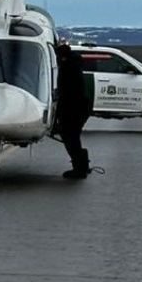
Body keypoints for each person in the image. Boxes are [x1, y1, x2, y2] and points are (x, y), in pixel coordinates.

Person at [55, 41, 91, 179]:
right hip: (79, 106)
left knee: (70, 137)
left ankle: (80, 168)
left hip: (72, 107)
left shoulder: (68, 67)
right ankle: (82, 165)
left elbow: (66, 91)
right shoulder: (74, 64)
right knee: (73, 137)